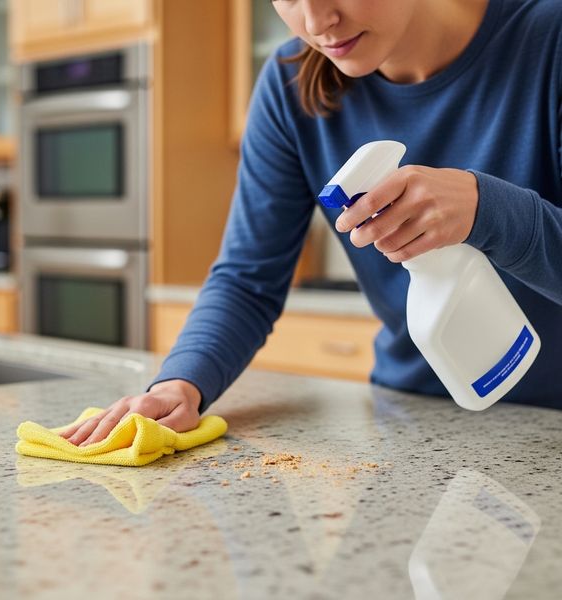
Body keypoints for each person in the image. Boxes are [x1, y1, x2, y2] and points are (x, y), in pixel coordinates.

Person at [60, 0, 562, 446]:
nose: (318, 21)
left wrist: (489, 211)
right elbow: (248, 280)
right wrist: (181, 382)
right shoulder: (289, 84)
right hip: (410, 422)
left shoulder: (549, 38)